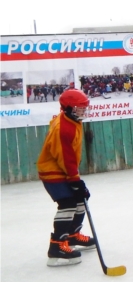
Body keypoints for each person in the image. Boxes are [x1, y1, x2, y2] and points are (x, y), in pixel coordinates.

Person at [37, 88, 96, 267]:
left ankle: (72, 236)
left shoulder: (71, 120)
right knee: (68, 204)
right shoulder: (63, 129)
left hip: (62, 170)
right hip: (53, 172)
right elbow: (66, 157)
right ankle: (56, 246)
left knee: (81, 199)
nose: (83, 111)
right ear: (69, 108)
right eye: (80, 108)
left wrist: (76, 182)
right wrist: (75, 180)